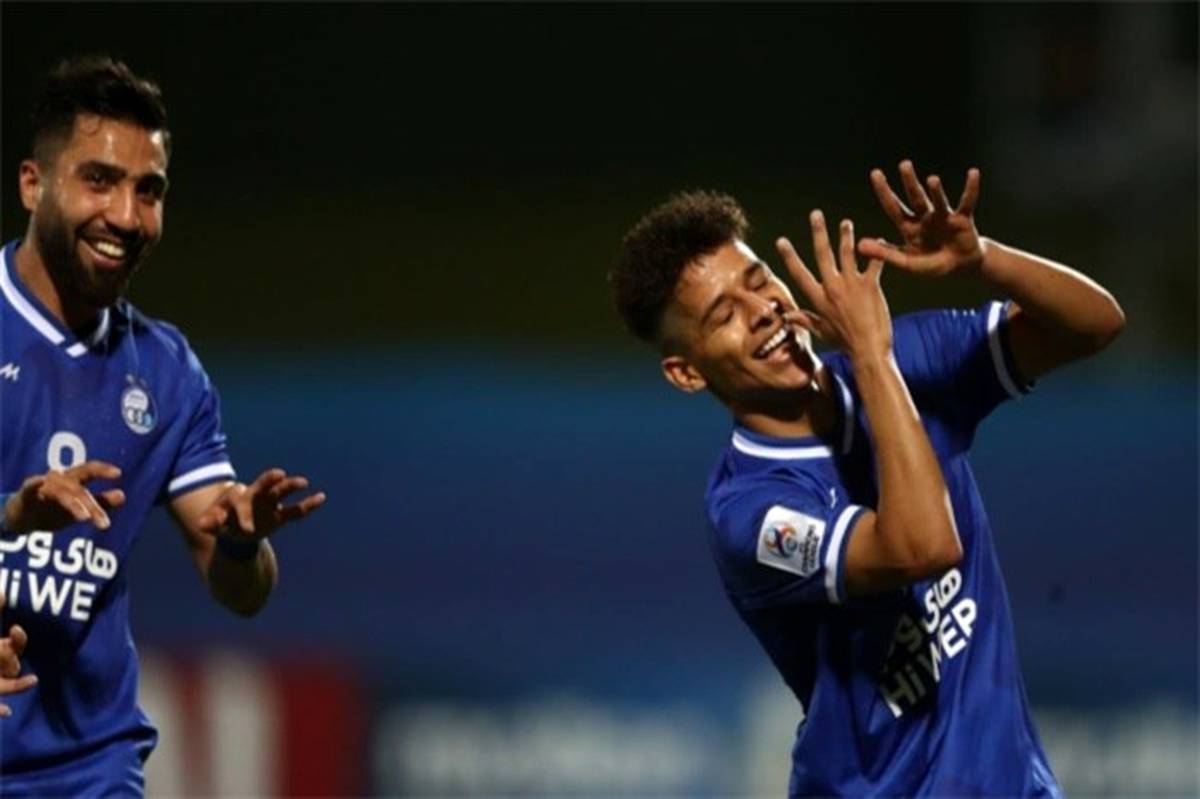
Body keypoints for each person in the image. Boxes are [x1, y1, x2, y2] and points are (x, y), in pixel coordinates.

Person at [610, 161, 1124, 797]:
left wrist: (983, 259)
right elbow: (923, 548)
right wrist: (873, 357)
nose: (763, 311)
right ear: (687, 373)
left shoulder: (901, 361)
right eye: (724, 317)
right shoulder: (754, 515)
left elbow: (1094, 325)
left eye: (759, 280)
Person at [0, 56, 326, 796]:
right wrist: (14, 514)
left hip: (88, 769)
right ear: (32, 185)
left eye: (148, 191)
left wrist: (240, 542)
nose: (125, 216)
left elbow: (241, 591)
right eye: (99, 180)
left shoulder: (166, 372)